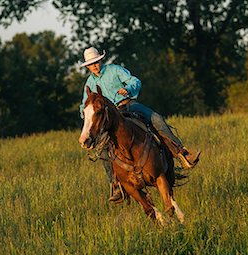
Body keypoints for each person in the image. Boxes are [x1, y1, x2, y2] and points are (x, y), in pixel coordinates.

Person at [79, 46, 200, 202]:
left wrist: (127, 88)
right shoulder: (89, 82)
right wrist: (86, 115)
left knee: (156, 119)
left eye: (96, 62)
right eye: (91, 64)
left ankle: (181, 152)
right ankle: (116, 185)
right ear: (87, 66)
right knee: (102, 150)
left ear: (101, 60)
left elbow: (135, 81)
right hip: (107, 117)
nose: (94, 66)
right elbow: (84, 104)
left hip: (127, 105)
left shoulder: (115, 70)